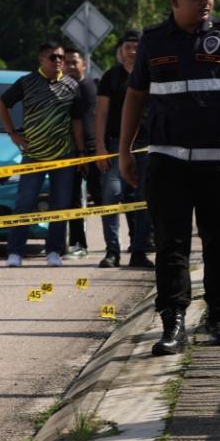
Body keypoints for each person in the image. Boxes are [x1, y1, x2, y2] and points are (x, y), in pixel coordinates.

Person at [119, 0, 220, 355]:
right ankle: (174, 323)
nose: (206, 2)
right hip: (168, 161)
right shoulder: (153, 40)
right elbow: (135, 97)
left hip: (218, 161)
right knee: (170, 245)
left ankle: (218, 318)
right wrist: (124, 151)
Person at [0, 41, 85, 268]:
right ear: (41, 60)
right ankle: (15, 252)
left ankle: (54, 251)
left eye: (61, 58)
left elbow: (76, 121)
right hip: (33, 154)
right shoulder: (26, 82)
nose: (58, 61)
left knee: (60, 205)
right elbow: (2, 104)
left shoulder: (71, 85)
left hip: (63, 155)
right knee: (24, 202)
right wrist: (12, 133)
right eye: (53, 57)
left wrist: (81, 152)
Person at [94, 30, 155, 269]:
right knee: (111, 195)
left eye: (137, 47)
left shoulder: (153, 74)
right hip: (114, 146)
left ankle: (139, 250)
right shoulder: (111, 77)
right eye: (128, 47)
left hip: (147, 146)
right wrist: (99, 147)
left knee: (143, 200)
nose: (133, 51)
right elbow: (101, 113)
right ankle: (112, 251)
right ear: (121, 51)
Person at [63, 47, 99, 258]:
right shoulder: (65, 89)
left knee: (105, 199)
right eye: (66, 62)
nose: (70, 66)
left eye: (74, 62)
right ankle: (78, 244)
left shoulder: (89, 87)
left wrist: (85, 152)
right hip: (72, 152)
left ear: (84, 64)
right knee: (73, 200)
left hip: (93, 151)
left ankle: (118, 247)